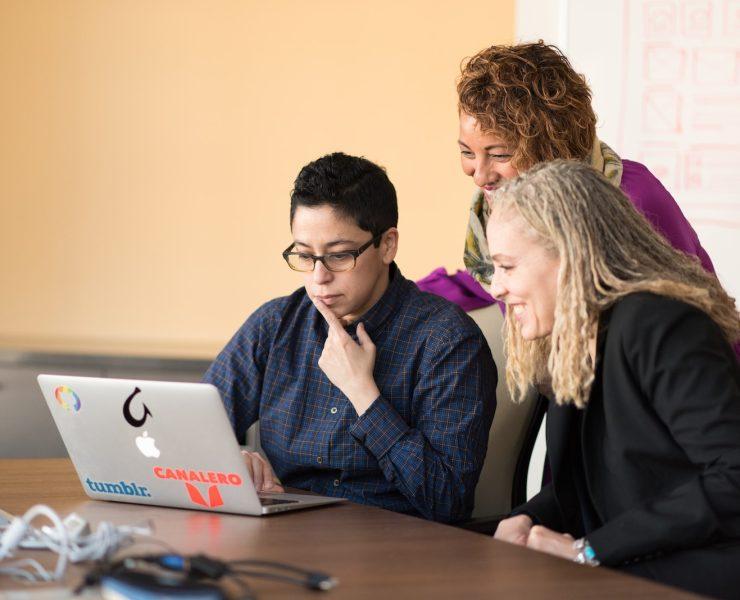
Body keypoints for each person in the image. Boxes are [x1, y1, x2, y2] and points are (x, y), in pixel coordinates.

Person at [488, 160, 740, 599]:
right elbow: (588, 486)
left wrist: (589, 552)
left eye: (507, 267)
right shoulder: (574, 338)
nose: (495, 287)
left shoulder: (661, 325)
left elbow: (734, 477)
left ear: (567, 257)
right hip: (633, 567)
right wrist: (527, 519)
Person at [203, 152, 496, 523]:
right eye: (305, 256)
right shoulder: (275, 325)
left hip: (399, 549)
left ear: (387, 245)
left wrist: (364, 394)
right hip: (286, 538)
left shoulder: (447, 342)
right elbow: (194, 431)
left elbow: (446, 499)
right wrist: (231, 460)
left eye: (339, 256)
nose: (319, 277)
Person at [456, 41, 714, 289]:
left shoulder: (632, 199)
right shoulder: (499, 211)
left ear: (550, 147)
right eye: (467, 152)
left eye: (500, 155)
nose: (479, 176)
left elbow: (691, 313)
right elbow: (477, 282)